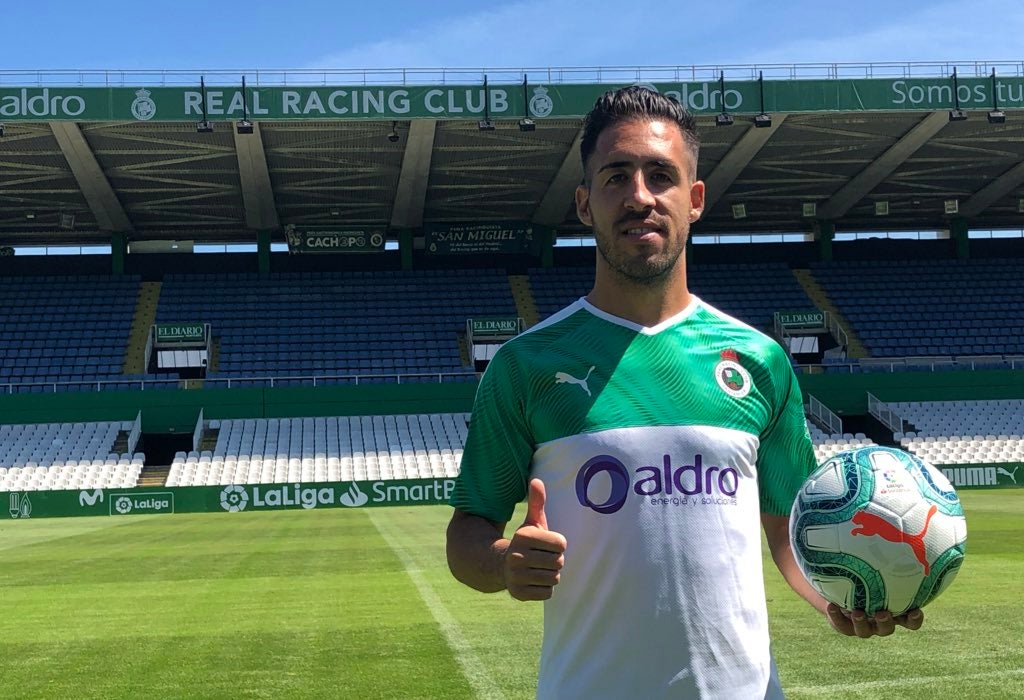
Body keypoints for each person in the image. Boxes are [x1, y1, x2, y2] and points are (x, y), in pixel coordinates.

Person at [446, 85, 923, 699]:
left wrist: (839, 598)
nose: (639, 196)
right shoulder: (525, 364)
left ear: (694, 199)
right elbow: (467, 535)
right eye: (616, 176)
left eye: (660, 175)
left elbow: (790, 532)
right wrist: (505, 563)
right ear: (585, 203)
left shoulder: (761, 360)